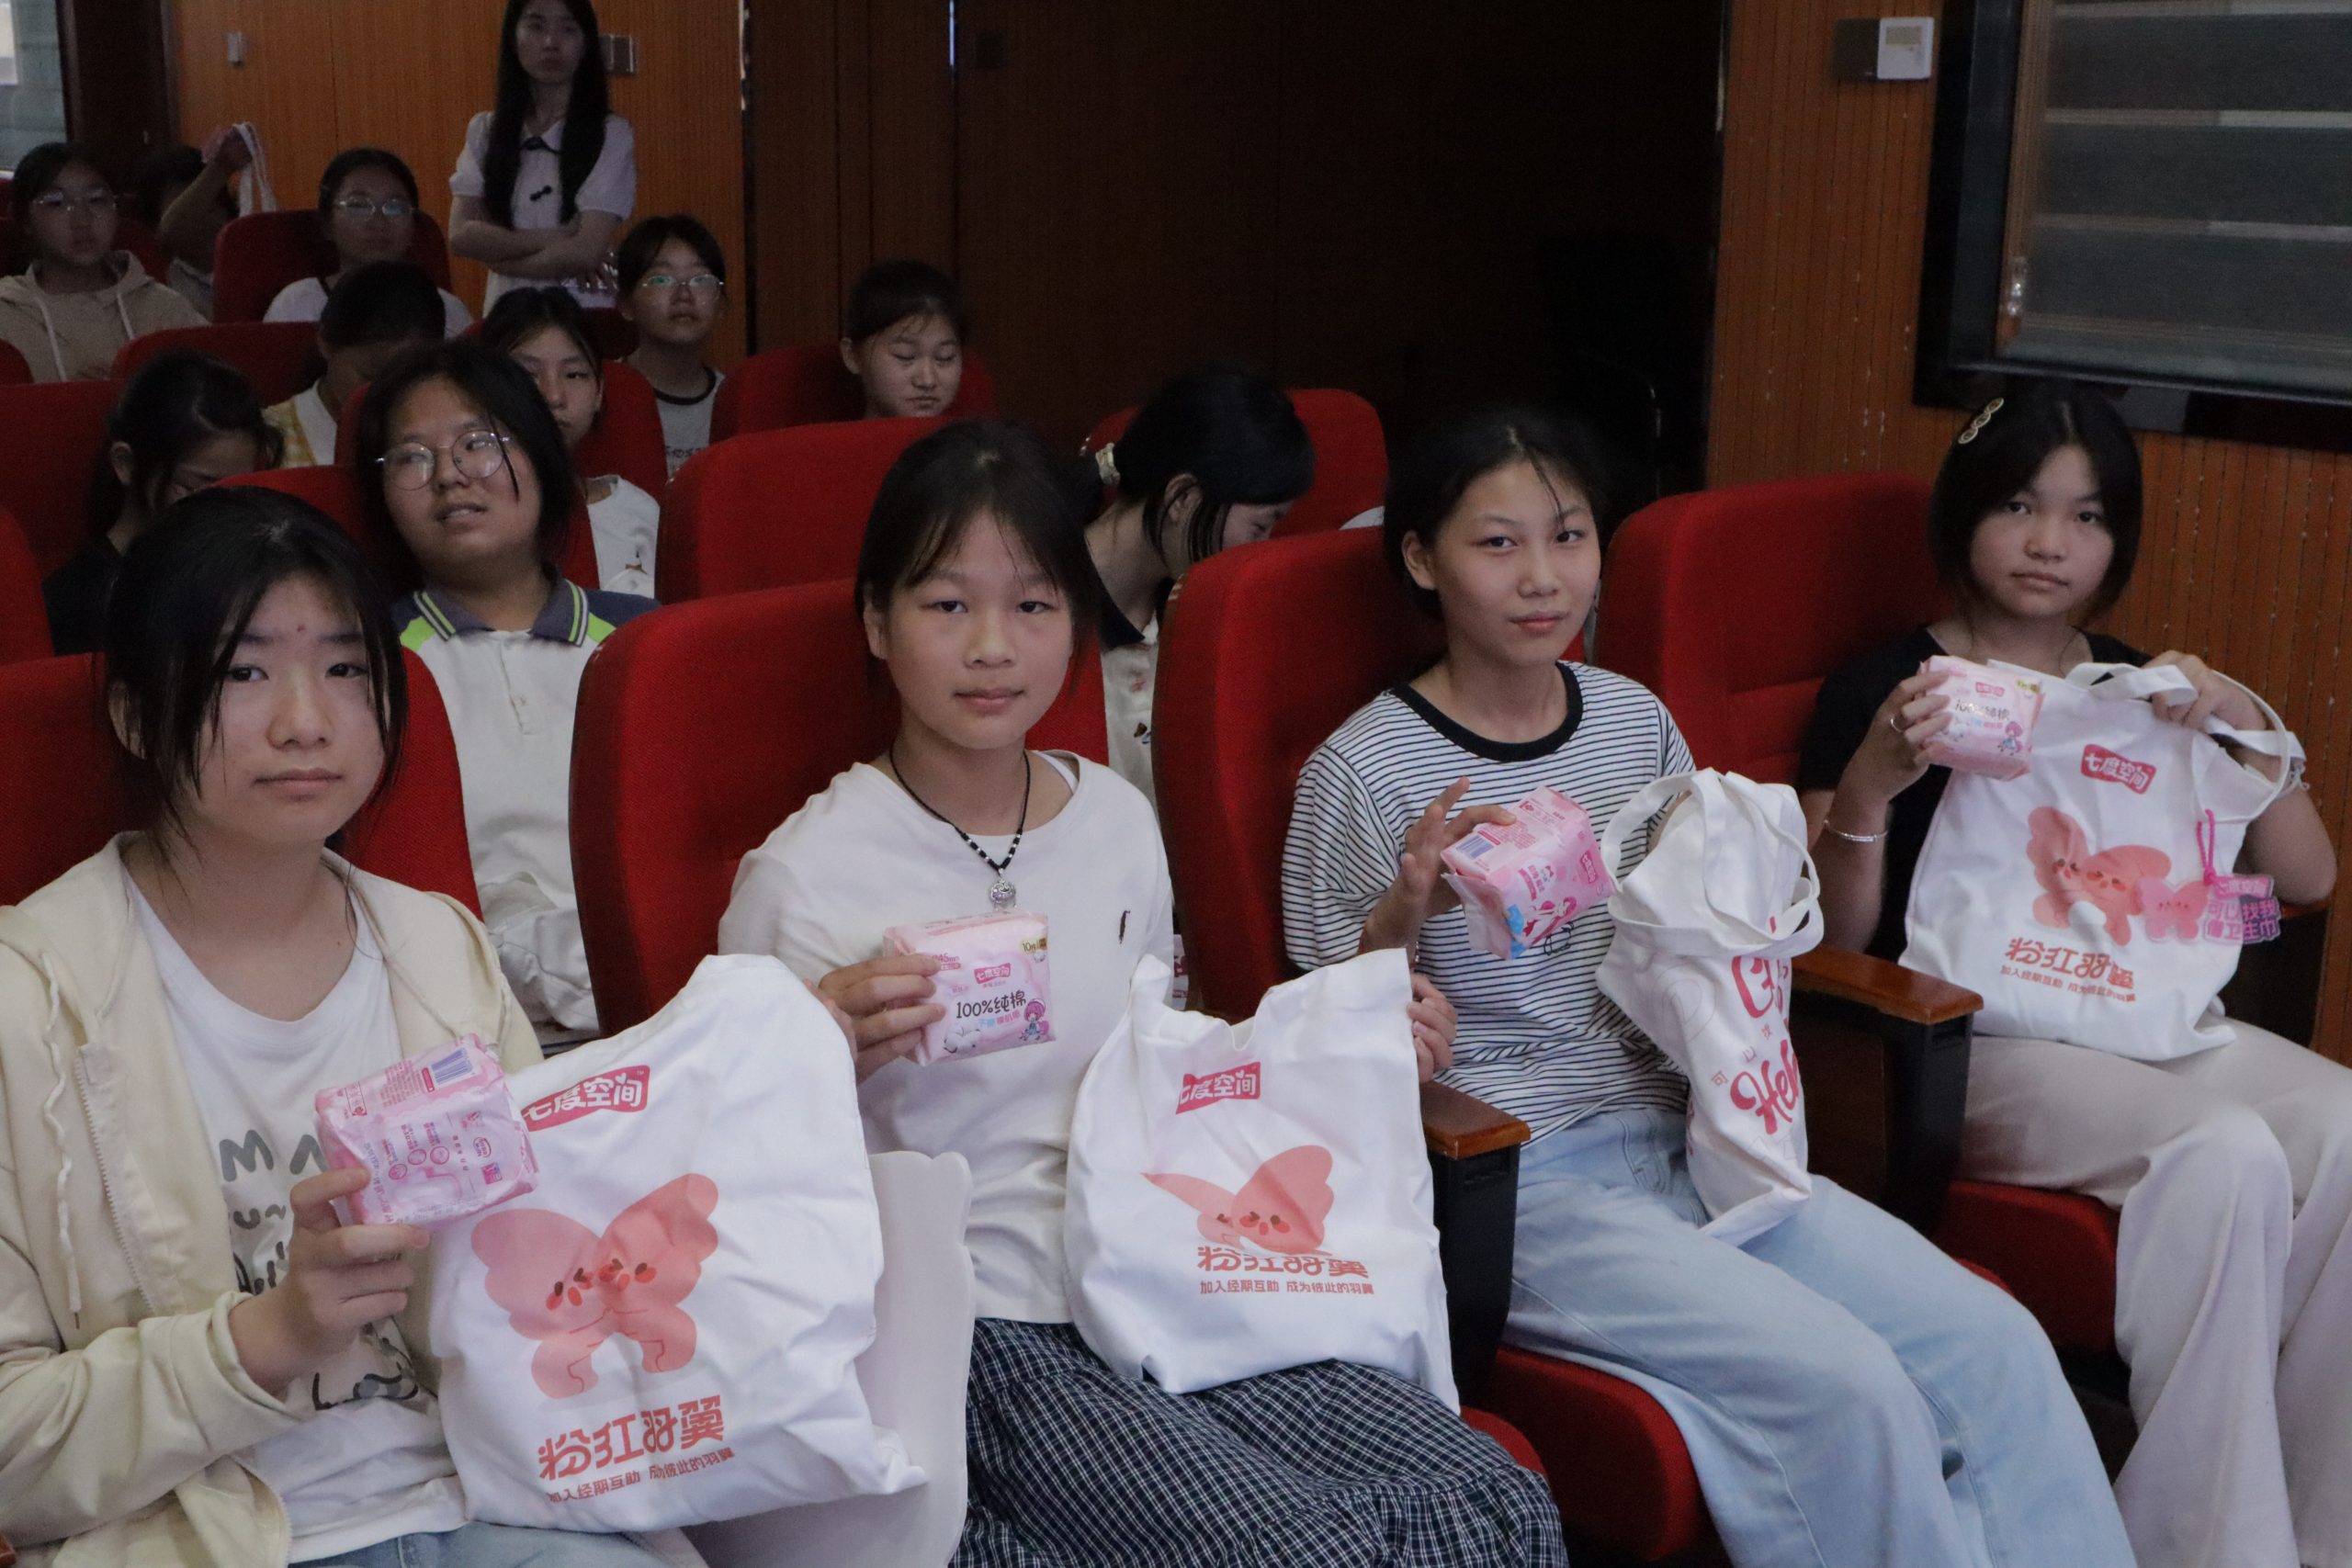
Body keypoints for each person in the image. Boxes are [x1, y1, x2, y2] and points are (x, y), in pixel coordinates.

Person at [1283, 406, 2135, 1568]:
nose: (1543, 579)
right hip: (1524, 1182)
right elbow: (1317, 1042)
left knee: (1996, 1343)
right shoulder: (1362, 769)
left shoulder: (1632, 720)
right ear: (1422, 559)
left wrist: (1740, 869)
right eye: (1497, 544)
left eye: (1569, 536)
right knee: (1850, 1390)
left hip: (1701, 1136)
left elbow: (1714, 929)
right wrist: (1401, 916)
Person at [718, 420, 1566, 1567]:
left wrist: (1351, 1032)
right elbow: (740, 1189)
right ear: (876, 622)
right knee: (1308, 1551)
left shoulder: (1116, 819)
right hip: (982, 1319)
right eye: (945, 604)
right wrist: (813, 1054)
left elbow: (1166, 1061)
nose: (992, 647)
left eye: (1032, 604)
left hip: (1171, 1254)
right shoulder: (804, 874)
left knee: (1498, 1504)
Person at [0, 488, 672, 1567]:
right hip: (204, 1534)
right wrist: (265, 1338)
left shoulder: (438, 949)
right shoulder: (28, 998)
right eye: (243, 672)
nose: (305, 720)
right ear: (132, 714)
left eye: (348, 668)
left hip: (490, 1496)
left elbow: (548, 1274)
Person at [1798, 380, 2346, 1568]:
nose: (2050, 542)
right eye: (2018, 505)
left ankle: (2323, 1528)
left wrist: (2245, 722)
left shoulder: (2146, 692)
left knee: (2346, 1124)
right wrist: (1872, 781)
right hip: (1962, 1035)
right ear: (1962, 516)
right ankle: (2206, 1542)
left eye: (2087, 516)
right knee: (2223, 1153)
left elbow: (2301, 882)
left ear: (2117, 540)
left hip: (2134, 1008)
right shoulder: (1888, 686)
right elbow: (1828, 941)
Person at [354, 339, 654, 1046]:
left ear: (543, 461)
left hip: (675, 993)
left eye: (479, 444)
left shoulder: (645, 640)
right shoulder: (369, 667)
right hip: (480, 1032)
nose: (450, 476)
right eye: (412, 457)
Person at [1074, 366, 1311, 803]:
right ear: (1183, 498)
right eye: (1260, 526)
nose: (1262, 548)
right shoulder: (1040, 603)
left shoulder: (1189, 604)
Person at [44, 348, 278, 653]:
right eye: (195, 486)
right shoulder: (81, 602)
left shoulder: (250, 569)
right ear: (126, 464)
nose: (222, 508)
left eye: (237, 488)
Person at [449, 0, 636, 310]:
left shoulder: (611, 133)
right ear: (513, 39)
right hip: (505, 310)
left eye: (568, 28)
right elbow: (460, 236)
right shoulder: (485, 131)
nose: (551, 42)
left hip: (582, 308)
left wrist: (502, 260)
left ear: (585, 45)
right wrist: (558, 237)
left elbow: (586, 252)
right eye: (536, 26)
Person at [481, 284, 659, 595]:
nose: (553, 396)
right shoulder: (470, 511)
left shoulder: (637, 511)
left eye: (574, 374)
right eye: (527, 374)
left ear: (599, 392)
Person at [0, 141, 205, 381]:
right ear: (24, 219)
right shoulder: (7, 312)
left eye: (97, 199)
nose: (82, 220)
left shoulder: (162, 306)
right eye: (56, 202)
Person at [264, 148, 473, 335]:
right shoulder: (296, 304)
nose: (378, 222)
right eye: (359, 206)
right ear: (327, 223)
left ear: (413, 226)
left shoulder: (449, 309)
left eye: (394, 207)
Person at [266, 260, 447, 468]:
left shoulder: (449, 433)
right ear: (326, 344)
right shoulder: (272, 437)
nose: (388, 393)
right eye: (369, 376)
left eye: (409, 378)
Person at [616, 214, 727, 477]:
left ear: (721, 304)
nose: (684, 295)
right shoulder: (602, 395)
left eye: (701, 279)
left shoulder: (733, 399)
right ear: (626, 304)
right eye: (661, 280)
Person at [840, 258, 967, 419]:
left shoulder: (980, 434)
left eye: (945, 357)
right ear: (852, 355)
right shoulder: (829, 436)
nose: (927, 380)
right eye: (905, 356)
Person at [136, 138, 238, 319]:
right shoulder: (157, 277)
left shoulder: (248, 258)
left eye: (213, 201)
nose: (205, 216)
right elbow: (169, 232)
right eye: (188, 206)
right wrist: (222, 167)